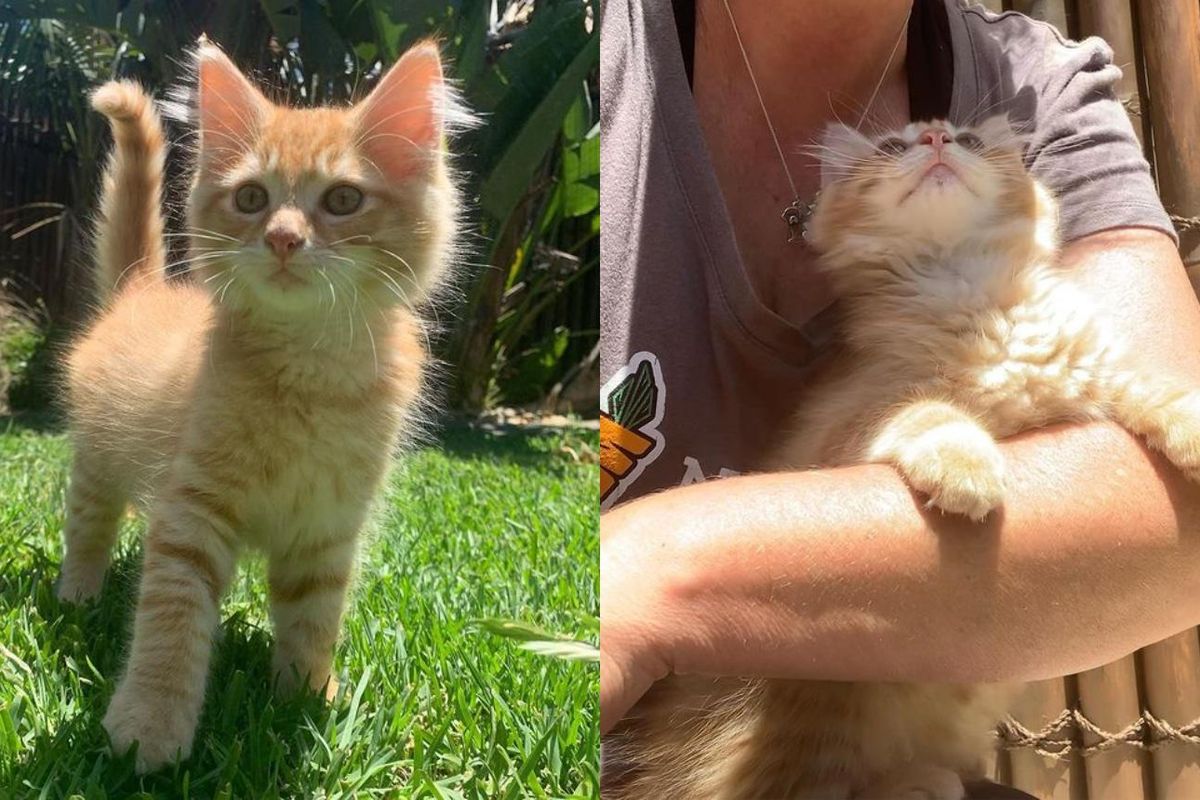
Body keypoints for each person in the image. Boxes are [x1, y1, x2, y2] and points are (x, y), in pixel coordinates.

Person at [599, 0, 1200, 790]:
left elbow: (1166, 513)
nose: (937, 140)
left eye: (973, 144)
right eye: (894, 149)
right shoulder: (611, 46)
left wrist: (658, 568)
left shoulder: (1046, 90)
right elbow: (865, 430)